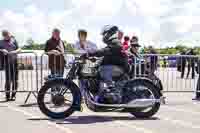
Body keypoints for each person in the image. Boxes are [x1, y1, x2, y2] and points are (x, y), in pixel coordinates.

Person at [81, 25, 129, 103]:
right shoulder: (113, 42)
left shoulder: (115, 42)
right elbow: (107, 55)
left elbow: (105, 51)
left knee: (103, 70)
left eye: (104, 34)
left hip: (120, 68)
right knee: (97, 71)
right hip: (117, 67)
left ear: (109, 34)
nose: (103, 36)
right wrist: (95, 61)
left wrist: (90, 53)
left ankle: (113, 94)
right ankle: (102, 94)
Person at [73, 29, 98, 97]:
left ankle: (86, 95)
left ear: (85, 36)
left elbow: (96, 49)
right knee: (80, 79)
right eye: (80, 35)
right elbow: (76, 51)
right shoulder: (77, 43)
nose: (81, 37)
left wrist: (87, 51)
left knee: (87, 79)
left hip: (88, 64)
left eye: (83, 35)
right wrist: (86, 51)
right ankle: (81, 95)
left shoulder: (89, 43)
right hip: (80, 63)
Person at [0, 30, 21, 101]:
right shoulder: (1, 42)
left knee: (15, 80)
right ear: (3, 36)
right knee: (8, 80)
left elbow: (19, 49)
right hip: (7, 63)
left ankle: (14, 95)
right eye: (5, 35)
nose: (7, 36)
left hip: (15, 62)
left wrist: (15, 51)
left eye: (8, 35)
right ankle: (7, 95)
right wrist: (2, 50)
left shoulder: (14, 40)